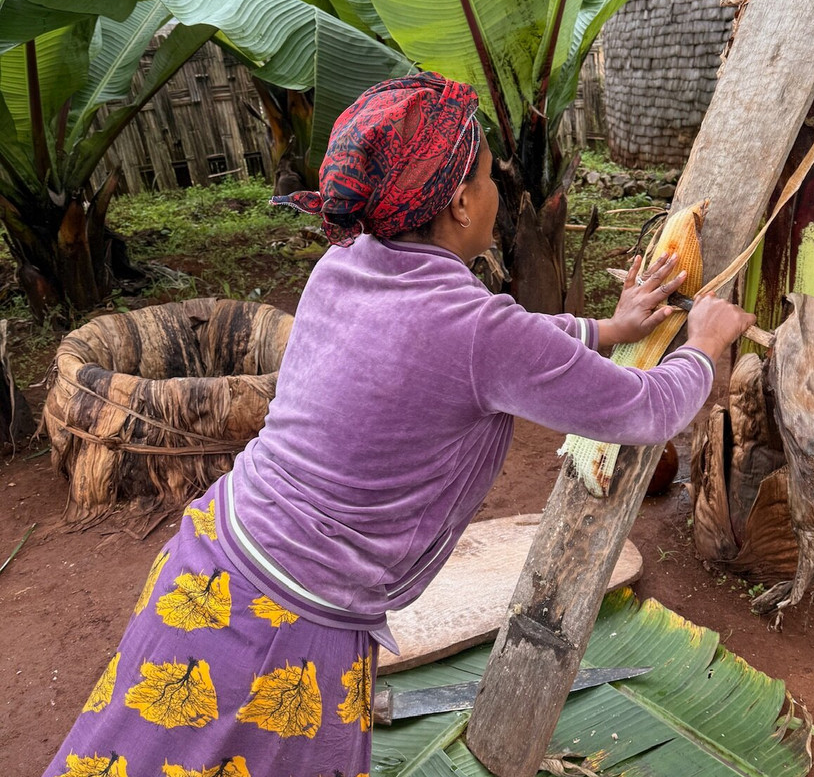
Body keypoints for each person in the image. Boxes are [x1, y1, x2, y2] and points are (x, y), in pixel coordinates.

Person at [43, 72, 754, 777]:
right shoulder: (475, 329)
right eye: (488, 176)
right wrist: (705, 346)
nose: (499, 193)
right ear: (458, 201)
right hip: (287, 626)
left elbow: (507, 347)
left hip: (211, 557)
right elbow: (646, 408)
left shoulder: (346, 261)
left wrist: (607, 326)